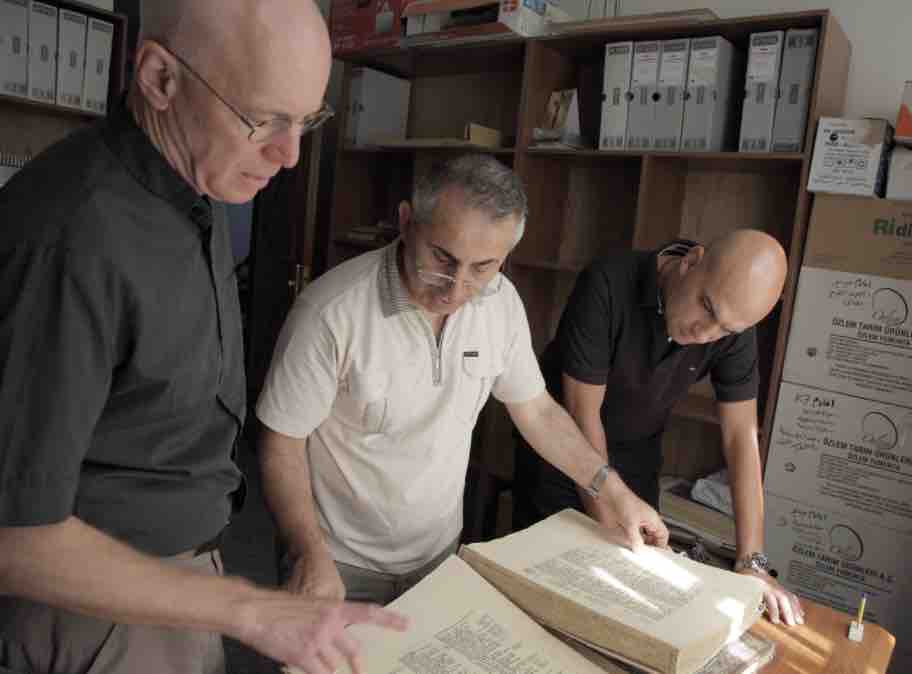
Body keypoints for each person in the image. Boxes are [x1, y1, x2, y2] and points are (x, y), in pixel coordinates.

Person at [0, 1, 407, 673]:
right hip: (92, 616)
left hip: (180, 587)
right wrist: (248, 610)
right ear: (161, 78)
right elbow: (16, 538)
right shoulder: (70, 236)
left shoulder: (198, 185)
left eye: (306, 121)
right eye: (264, 120)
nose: (289, 155)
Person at [256, 154, 669, 607]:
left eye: (482, 267)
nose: (455, 289)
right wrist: (308, 551)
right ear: (406, 222)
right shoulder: (331, 313)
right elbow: (282, 441)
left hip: (437, 555)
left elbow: (536, 411)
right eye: (442, 258)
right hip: (336, 560)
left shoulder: (500, 303)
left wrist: (613, 492)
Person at [513, 231, 806, 627]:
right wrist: (609, 524)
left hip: (637, 457)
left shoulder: (732, 320)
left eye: (725, 329)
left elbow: (741, 437)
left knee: (628, 607)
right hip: (563, 452)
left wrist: (751, 561)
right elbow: (584, 413)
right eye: (706, 307)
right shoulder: (609, 283)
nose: (705, 333)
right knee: (547, 600)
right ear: (691, 261)